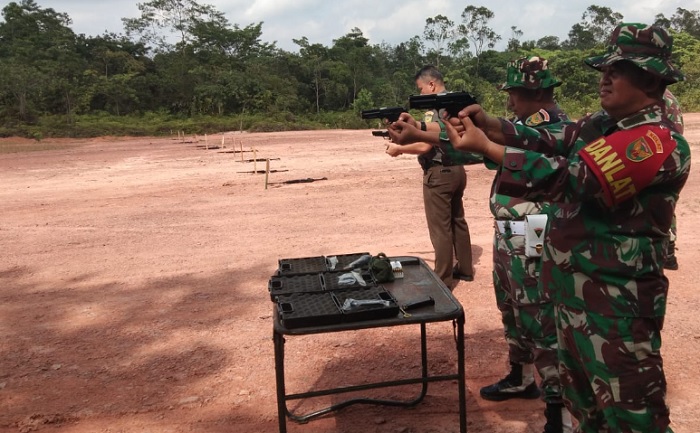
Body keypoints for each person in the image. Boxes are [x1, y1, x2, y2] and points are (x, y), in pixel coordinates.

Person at [434, 23, 689, 433]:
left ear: (649, 78)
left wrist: (487, 147)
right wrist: (489, 122)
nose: (604, 78)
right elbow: (547, 139)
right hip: (579, 299)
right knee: (588, 410)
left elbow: (573, 180)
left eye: (617, 70)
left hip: (617, 307)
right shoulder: (605, 126)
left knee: (632, 417)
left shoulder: (654, 141)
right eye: (604, 68)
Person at [385, 65, 475, 288]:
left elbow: (426, 145)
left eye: (421, 89)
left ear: (432, 84)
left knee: (440, 228)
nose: (421, 94)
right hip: (457, 170)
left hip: (439, 172)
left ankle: (443, 280)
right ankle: (464, 269)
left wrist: (400, 149)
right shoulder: (454, 104)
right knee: (458, 221)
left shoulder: (435, 108)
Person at [663, 88, 684, 270]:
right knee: (667, 201)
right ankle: (669, 252)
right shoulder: (669, 96)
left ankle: (667, 252)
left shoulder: (653, 97)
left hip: (663, 152)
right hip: (673, 152)